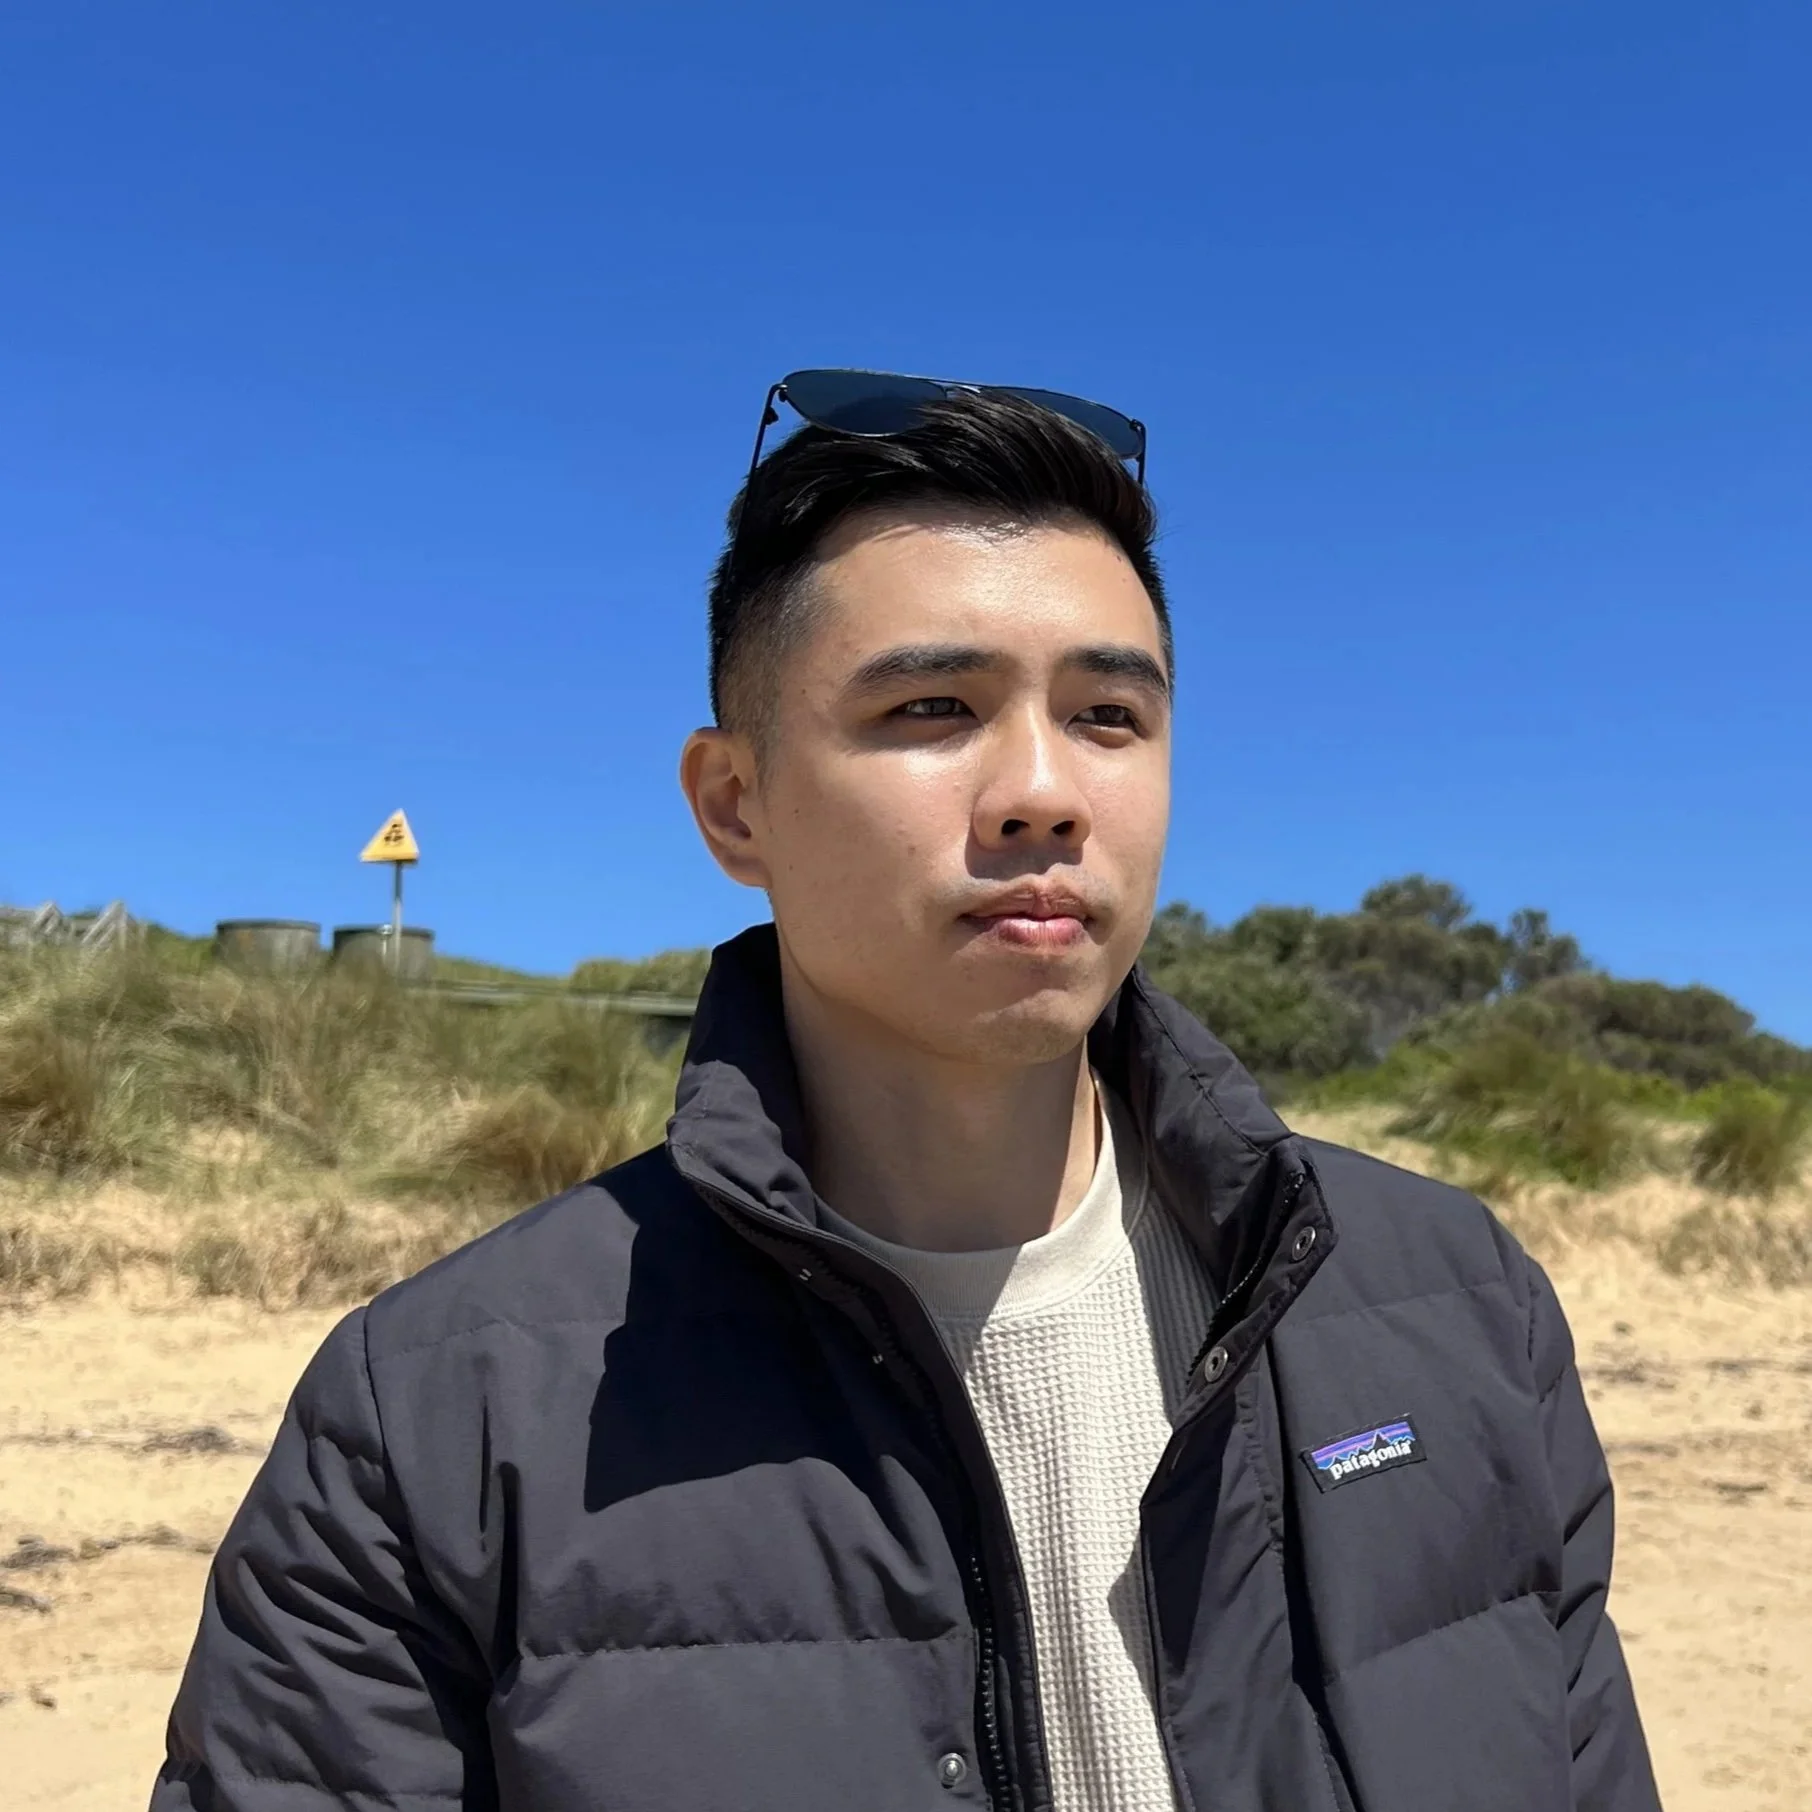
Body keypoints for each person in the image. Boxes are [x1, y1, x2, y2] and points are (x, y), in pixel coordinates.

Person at [153, 372, 1661, 1812]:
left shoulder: (1460, 1308)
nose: (1043, 790)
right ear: (734, 804)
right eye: (933, 709)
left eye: (1110, 717)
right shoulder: (437, 1418)